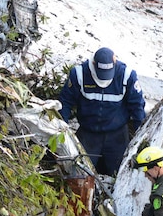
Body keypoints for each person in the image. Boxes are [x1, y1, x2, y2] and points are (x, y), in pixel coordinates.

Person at [59, 47, 146, 176]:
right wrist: (61, 128)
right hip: (88, 134)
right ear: (93, 65)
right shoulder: (79, 74)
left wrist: (141, 139)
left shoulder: (127, 76)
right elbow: (65, 102)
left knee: (119, 174)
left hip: (117, 136)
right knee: (81, 173)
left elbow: (137, 107)